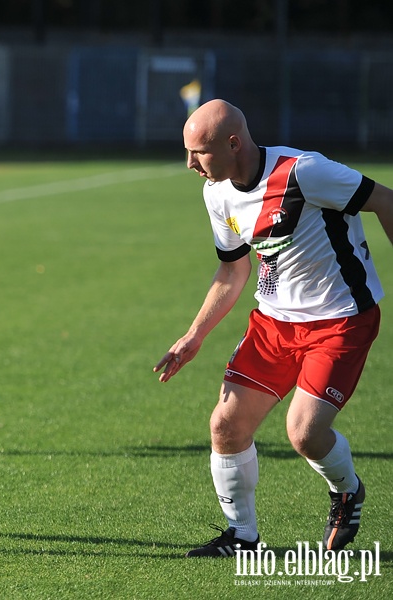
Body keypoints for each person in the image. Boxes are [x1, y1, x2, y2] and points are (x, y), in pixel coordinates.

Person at [154, 99, 393, 557]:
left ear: (233, 143)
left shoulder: (306, 172)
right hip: (273, 324)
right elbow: (232, 271)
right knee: (226, 425)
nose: (189, 164)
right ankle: (242, 536)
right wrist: (194, 334)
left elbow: (385, 200)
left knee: (304, 433)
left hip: (340, 319)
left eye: (198, 153)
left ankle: (347, 491)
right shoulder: (217, 192)